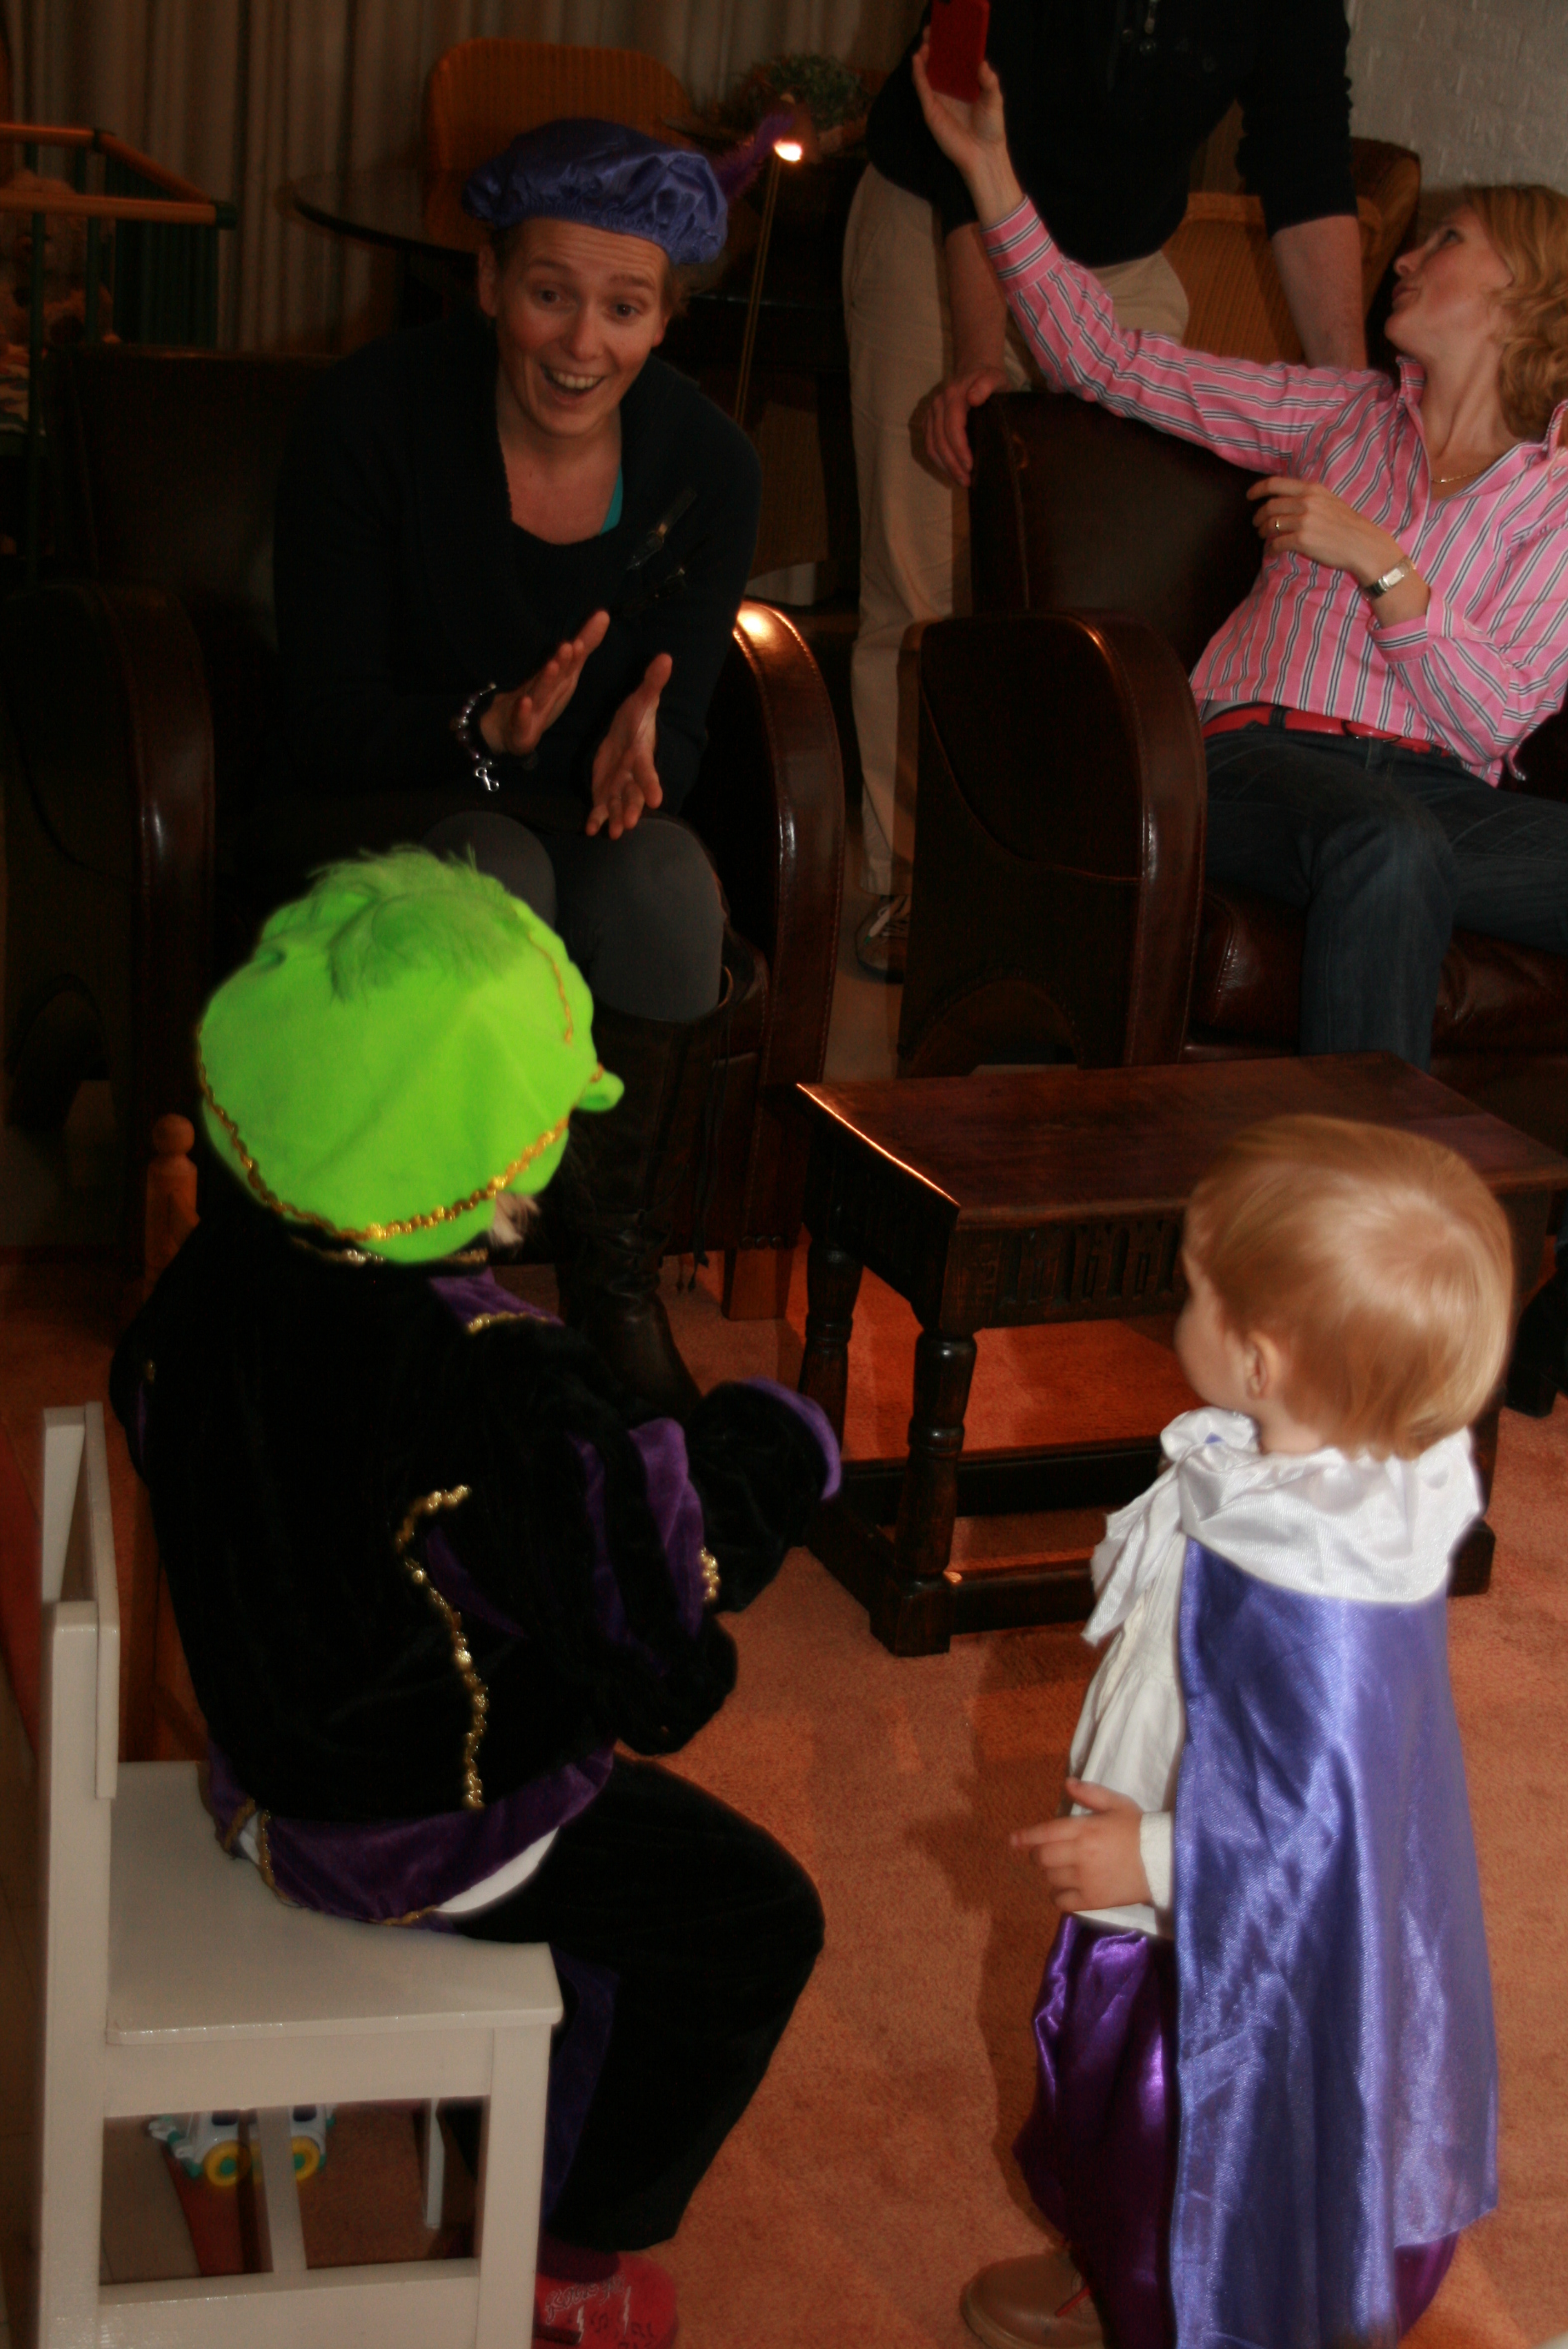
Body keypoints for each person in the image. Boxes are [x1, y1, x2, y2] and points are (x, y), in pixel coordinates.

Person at [110, 850, 839, 2349]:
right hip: (419, 1823)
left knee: (614, 1885)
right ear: (482, 1159)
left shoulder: (214, 1271)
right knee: (753, 1917)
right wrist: (762, 1464)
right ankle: (571, 2252)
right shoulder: (499, 1387)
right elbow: (663, 1668)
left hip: (261, 1766)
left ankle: (506, 2120)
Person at [958, 1114, 1509, 2349]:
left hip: (1231, 1947)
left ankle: (1172, 2299)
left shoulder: (1321, 1590)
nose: (1179, 1305)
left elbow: (1312, 1825)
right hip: (1192, 1851)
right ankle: (1116, 2261)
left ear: (1258, 1359)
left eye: (1194, 1288)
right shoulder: (1311, 1484)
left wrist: (1154, 1857)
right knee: (1105, 2110)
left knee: (1176, 2131)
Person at [909, 47, 1568, 1074]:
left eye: (1445, 239)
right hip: (1254, 758)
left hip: (1440, 790)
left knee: (1402, 842)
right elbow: (1101, 359)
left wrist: (1379, 563)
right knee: (1387, 843)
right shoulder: (1336, 413)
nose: (1404, 257)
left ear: (1523, 290)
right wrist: (988, 168)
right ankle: (1350, 1172)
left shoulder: (1553, 500)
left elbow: (1497, 718)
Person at [268, 118, 764, 1416]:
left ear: (664, 320)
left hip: (568, 815)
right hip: (389, 794)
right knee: (493, 871)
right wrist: (480, 732)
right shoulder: (369, 417)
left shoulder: (708, 468)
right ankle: (434, 1286)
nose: (581, 343)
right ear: (490, 282)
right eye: (550, 294)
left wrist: (645, 755)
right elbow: (322, 718)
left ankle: (610, 1279)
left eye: (624, 308)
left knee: (669, 884)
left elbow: (678, 731)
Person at [847, 0, 1366, 973]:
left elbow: (1303, 159)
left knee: (1113, 584)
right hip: (938, 222)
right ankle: (918, 883)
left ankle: (1064, 882)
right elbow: (959, 116)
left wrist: (1354, 401)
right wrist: (976, 357)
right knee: (925, 583)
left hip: (1114, 264)